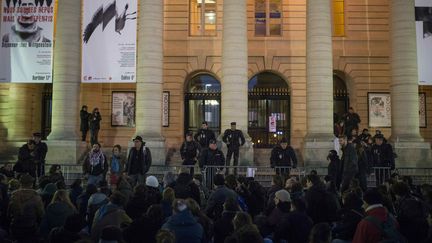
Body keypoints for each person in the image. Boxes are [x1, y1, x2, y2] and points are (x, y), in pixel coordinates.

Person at [7, 174, 45, 242]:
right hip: (31, 226)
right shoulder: (36, 196)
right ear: (31, 184)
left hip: (16, 226)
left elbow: (9, 212)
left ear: (20, 183)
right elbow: (41, 214)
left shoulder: (13, 195)